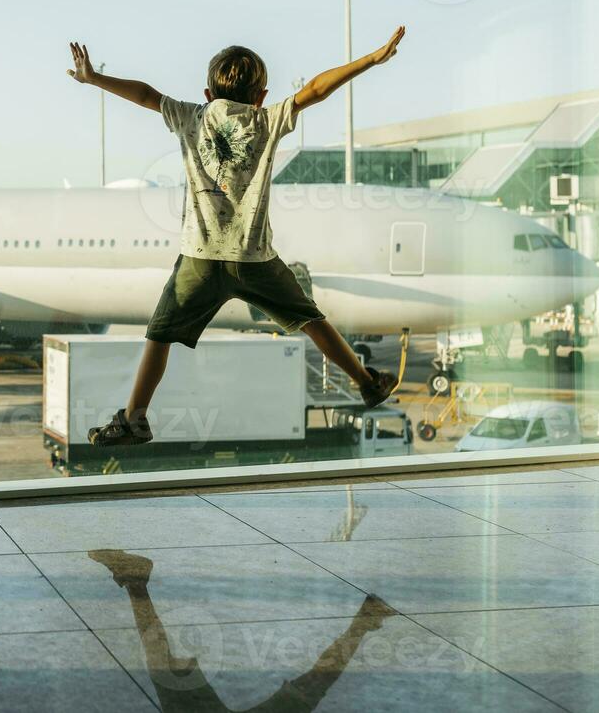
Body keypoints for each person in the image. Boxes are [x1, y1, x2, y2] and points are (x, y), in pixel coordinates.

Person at [68, 28, 407, 447]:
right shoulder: (267, 120)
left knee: (159, 336)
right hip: (255, 258)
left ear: (208, 93)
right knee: (311, 321)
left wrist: (94, 78)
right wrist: (370, 60)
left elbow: (144, 94)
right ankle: (367, 382)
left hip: (200, 258)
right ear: (261, 95)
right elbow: (317, 89)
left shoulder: (191, 116)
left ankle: (135, 417)